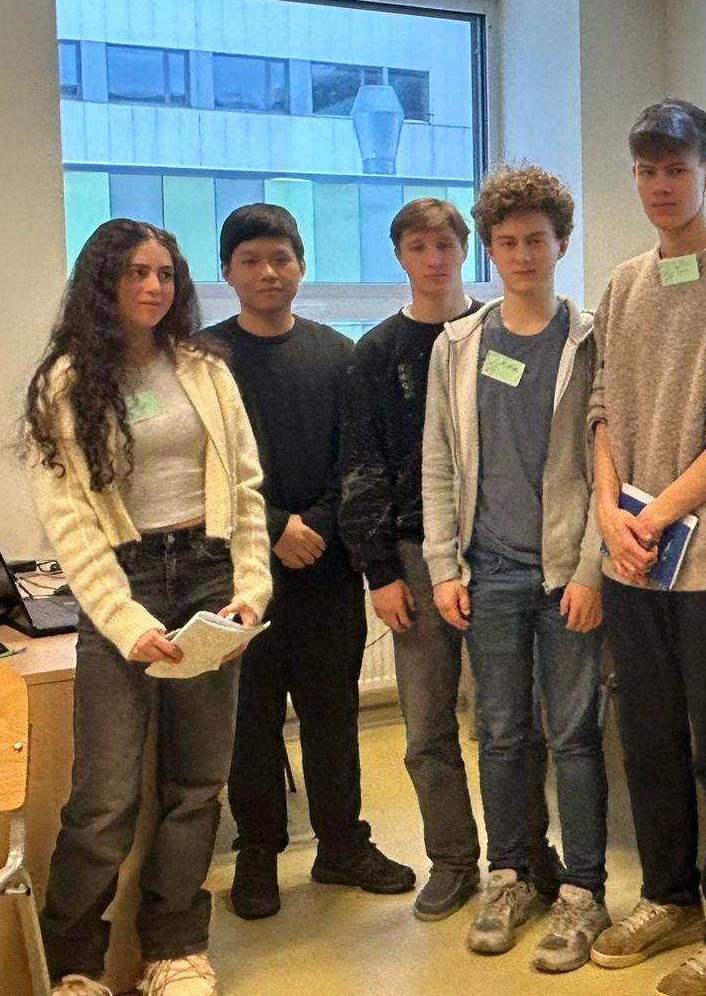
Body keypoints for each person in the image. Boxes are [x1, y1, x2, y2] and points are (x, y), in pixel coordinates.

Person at [22, 218, 272, 996]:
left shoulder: (204, 368)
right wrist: (125, 623)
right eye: (136, 272)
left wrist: (250, 591)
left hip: (208, 573)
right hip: (124, 585)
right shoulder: (64, 384)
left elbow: (244, 486)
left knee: (196, 785)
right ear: (103, 282)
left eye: (165, 273)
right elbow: (70, 522)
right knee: (104, 796)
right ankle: (73, 965)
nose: (153, 286)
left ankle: (174, 950)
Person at [588, 100, 706, 996]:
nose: (661, 185)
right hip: (630, 559)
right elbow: (599, 409)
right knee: (647, 741)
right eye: (647, 170)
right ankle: (669, 897)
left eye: (677, 168)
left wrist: (655, 515)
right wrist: (608, 513)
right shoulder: (623, 284)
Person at [340, 197, 562, 923]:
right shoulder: (377, 353)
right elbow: (363, 466)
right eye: (418, 247)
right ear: (399, 256)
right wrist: (380, 573)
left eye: (445, 245)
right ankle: (453, 859)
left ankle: (527, 852)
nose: (434, 259)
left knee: (514, 720)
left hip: (499, 550)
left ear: (468, 250)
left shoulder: (499, 330)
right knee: (428, 725)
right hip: (413, 555)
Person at [422, 163, 611, 973]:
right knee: (498, 734)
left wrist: (593, 570)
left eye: (536, 239)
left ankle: (584, 892)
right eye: (506, 242)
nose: (523, 254)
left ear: (561, 243)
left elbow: (609, 463)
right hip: (488, 571)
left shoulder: (591, 339)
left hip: (567, 574)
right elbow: (439, 459)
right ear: (490, 251)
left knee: (574, 737)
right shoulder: (459, 345)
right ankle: (511, 877)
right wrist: (442, 564)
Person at [204, 203, 414, 922]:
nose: (268, 272)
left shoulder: (337, 355)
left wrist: (315, 526)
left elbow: (357, 457)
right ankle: (257, 854)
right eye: (251, 260)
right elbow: (201, 469)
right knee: (251, 722)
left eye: (281, 258)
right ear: (227, 271)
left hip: (326, 568)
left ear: (300, 266)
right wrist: (272, 528)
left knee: (332, 716)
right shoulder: (204, 361)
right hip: (239, 575)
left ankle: (342, 845)